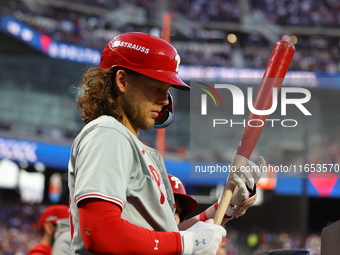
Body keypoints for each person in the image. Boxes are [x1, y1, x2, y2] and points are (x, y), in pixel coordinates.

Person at [68, 32, 263, 255]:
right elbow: (99, 231)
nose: (164, 101)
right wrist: (187, 244)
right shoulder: (108, 132)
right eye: (155, 88)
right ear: (122, 81)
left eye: (166, 91)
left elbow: (163, 236)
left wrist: (223, 209)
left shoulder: (131, 144)